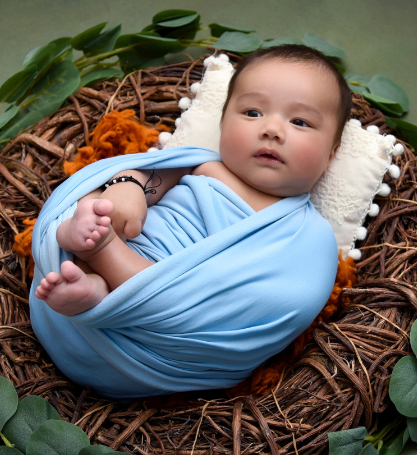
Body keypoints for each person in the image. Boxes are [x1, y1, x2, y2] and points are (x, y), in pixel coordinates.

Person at [35, 44, 352, 316]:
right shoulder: (199, 164)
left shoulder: (310, 235)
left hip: (177, 296)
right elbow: (147, 174)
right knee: (93, 203)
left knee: (162, 289)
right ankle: (89, 277)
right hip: (132, 240)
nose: (271, 129)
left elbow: (284, 300)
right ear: (224, 122)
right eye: (253, 113)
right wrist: (129, 186)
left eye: (299, 121)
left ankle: (99, 268)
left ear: (330, 155)